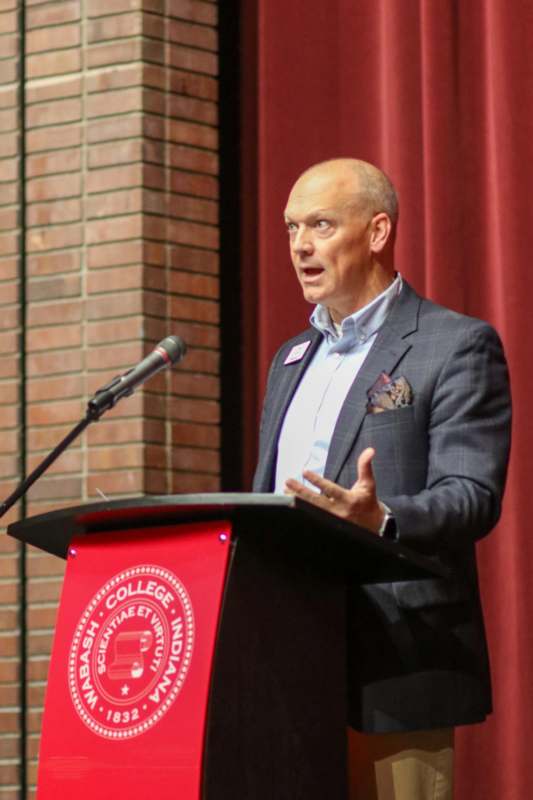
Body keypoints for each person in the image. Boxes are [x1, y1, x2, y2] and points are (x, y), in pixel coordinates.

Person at [252, 158, 511, 800]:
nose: (300, 246)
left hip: (396, 659)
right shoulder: (289, 360)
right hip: (286, 661)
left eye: (319, 224)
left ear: (376, 233)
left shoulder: (453, 345)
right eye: (290, 229)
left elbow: (471, 496)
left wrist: (384, 519)